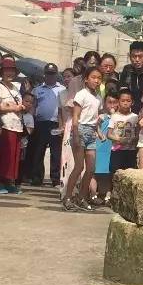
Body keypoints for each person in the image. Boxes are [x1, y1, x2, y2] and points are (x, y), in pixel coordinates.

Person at [62, 66, 103, 210]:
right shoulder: (81, 94)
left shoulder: (98, 97)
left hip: (91, 133)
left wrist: (98, 132)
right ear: (86, 79)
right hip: (80, 130)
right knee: (79, 167)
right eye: (93, 77)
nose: (96, 81)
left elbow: (94, 118)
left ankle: (82, 197)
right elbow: (75, 116)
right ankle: (67, 197)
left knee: (91, 168)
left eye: (99, 78)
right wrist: (76, 135)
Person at [0, 56, 26, 193]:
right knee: (4, 155)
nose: (9, 73)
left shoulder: (16, 88)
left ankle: (9, 181)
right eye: (6, 70)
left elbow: (18, 105)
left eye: (12, 70)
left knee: (14, 157)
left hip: (17, 125)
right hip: (4, 125)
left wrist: (20, 107)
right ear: (1, 72)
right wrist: (12, 108)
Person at [27, 64, 66, 186]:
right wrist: (31, 123)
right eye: (48, 73)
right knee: (38, 151)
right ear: (45, 74)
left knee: (56, 152)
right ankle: (37, 177)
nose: (50, 76)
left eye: (52, 74)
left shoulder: (62, 90)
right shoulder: (37, 90)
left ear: (56, 74)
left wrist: (62, 125)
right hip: (40, 123)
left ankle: (55, 178)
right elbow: (32, 107)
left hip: (56, 123)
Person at [94, 92, 118, 204]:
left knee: (109, 172)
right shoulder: (102, 116)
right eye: (109, 102)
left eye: (114, 103)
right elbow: (96, 125)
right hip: (101, 146)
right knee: (96, 171)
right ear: (104, 104)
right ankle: (94, 195)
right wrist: (100, 134)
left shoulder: (118, 117)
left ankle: (108, 195)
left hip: (112, 147)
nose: (112, 105)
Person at [107, 89, 139, 175]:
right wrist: (119, 139)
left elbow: (138, 134)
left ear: (132, 102)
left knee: (130, 175)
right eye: (123, 101)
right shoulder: (114, 116)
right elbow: (109, 134)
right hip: (117, 151)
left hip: (131, 151)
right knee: (115, 174)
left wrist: (131, 140)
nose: (125, 103)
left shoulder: (135, 117)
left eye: (128, 101)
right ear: (118, 102)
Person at [117, 41, 143, 110]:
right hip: (130, 113)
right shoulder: (127, 70)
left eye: (140, 56)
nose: (137, 60)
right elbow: (122, 92)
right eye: (134, 56)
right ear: (129, 56)